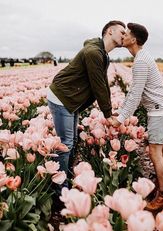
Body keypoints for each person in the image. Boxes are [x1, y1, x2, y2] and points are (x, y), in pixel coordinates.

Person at [47, 20, 126, 207]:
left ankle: (66, 179)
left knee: (72, 141)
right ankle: (60, 192)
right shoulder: (93, 53)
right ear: (110, 31)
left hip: (71, 98)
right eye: (122, 32)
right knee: (65, 144)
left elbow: (103, 83)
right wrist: (107, 114)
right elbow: (98, 85)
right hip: (63, 96)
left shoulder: (101, 53)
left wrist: (110, 109)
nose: (124, 35)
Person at [111, 23, 163, 210]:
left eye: (127, 33)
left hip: (159, 110)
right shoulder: (143, 56)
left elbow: (135, 94)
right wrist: (122, 111)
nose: (123, 36)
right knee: (162, 148)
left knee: (155, 151)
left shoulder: (140, 61)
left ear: (134, 40)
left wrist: (120, 118)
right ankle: (161, 183)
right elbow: (134, 93)